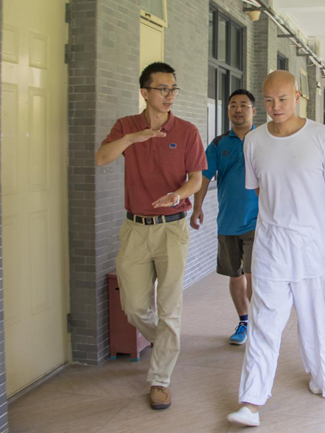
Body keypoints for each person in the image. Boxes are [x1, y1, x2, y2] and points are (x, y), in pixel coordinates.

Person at [226, 70, 325, 427]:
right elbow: (258, 188)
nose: (275, 106)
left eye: (282, 99)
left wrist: (305, 209)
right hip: (270, 247)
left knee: (312, 321)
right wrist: (284, 211)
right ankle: (251, 402)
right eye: (268, 100)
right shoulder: (254, 141)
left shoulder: (322, 137)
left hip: (311, 246)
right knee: (264, 323)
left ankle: (321, 380)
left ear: (297, 96)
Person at [95, 62, 206, 410]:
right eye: (162, 89)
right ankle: (165, 344)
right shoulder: (126, 126)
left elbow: (196, 178)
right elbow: (101, 158)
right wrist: (132, 138)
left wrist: (178, 194)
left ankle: (160, 380)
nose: (169, 95)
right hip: (135, 229)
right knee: (133, 306)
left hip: (172, 228)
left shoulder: (186, 131)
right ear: (144, 92)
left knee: (169, 308)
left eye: (173, 89)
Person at [190, 89, 258, 345]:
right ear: (228, 110)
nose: (238, 109)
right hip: (228, 222)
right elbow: (204, 176)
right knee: (235, 275)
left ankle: (260, 325)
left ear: (253, 110)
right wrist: (197, 207)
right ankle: (244, 322)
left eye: (243, 105)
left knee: (253, 275)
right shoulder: (219, 144)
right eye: (233, 105)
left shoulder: (263, 140)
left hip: (258, 221)